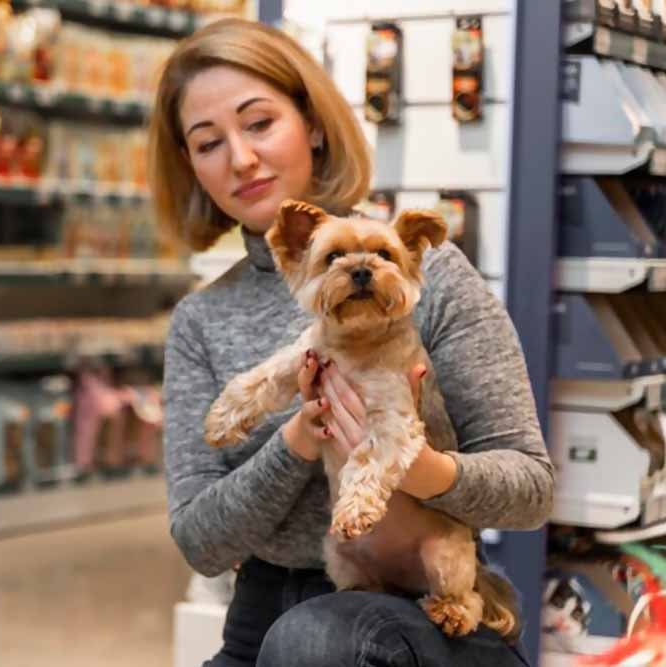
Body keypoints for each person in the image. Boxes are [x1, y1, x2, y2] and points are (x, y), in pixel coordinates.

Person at [148, 18, 553, 667]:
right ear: (190, 165)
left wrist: (421, 469)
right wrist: (302, 437)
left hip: (420, 618)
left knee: (314, 641)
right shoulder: (200, 319)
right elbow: (200, 540)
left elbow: (530, 487)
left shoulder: (433, 276)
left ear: (311, 122)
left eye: (259, 123)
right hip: (264, 619)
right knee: (299, 638)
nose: (241, 158)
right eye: (207, 142)